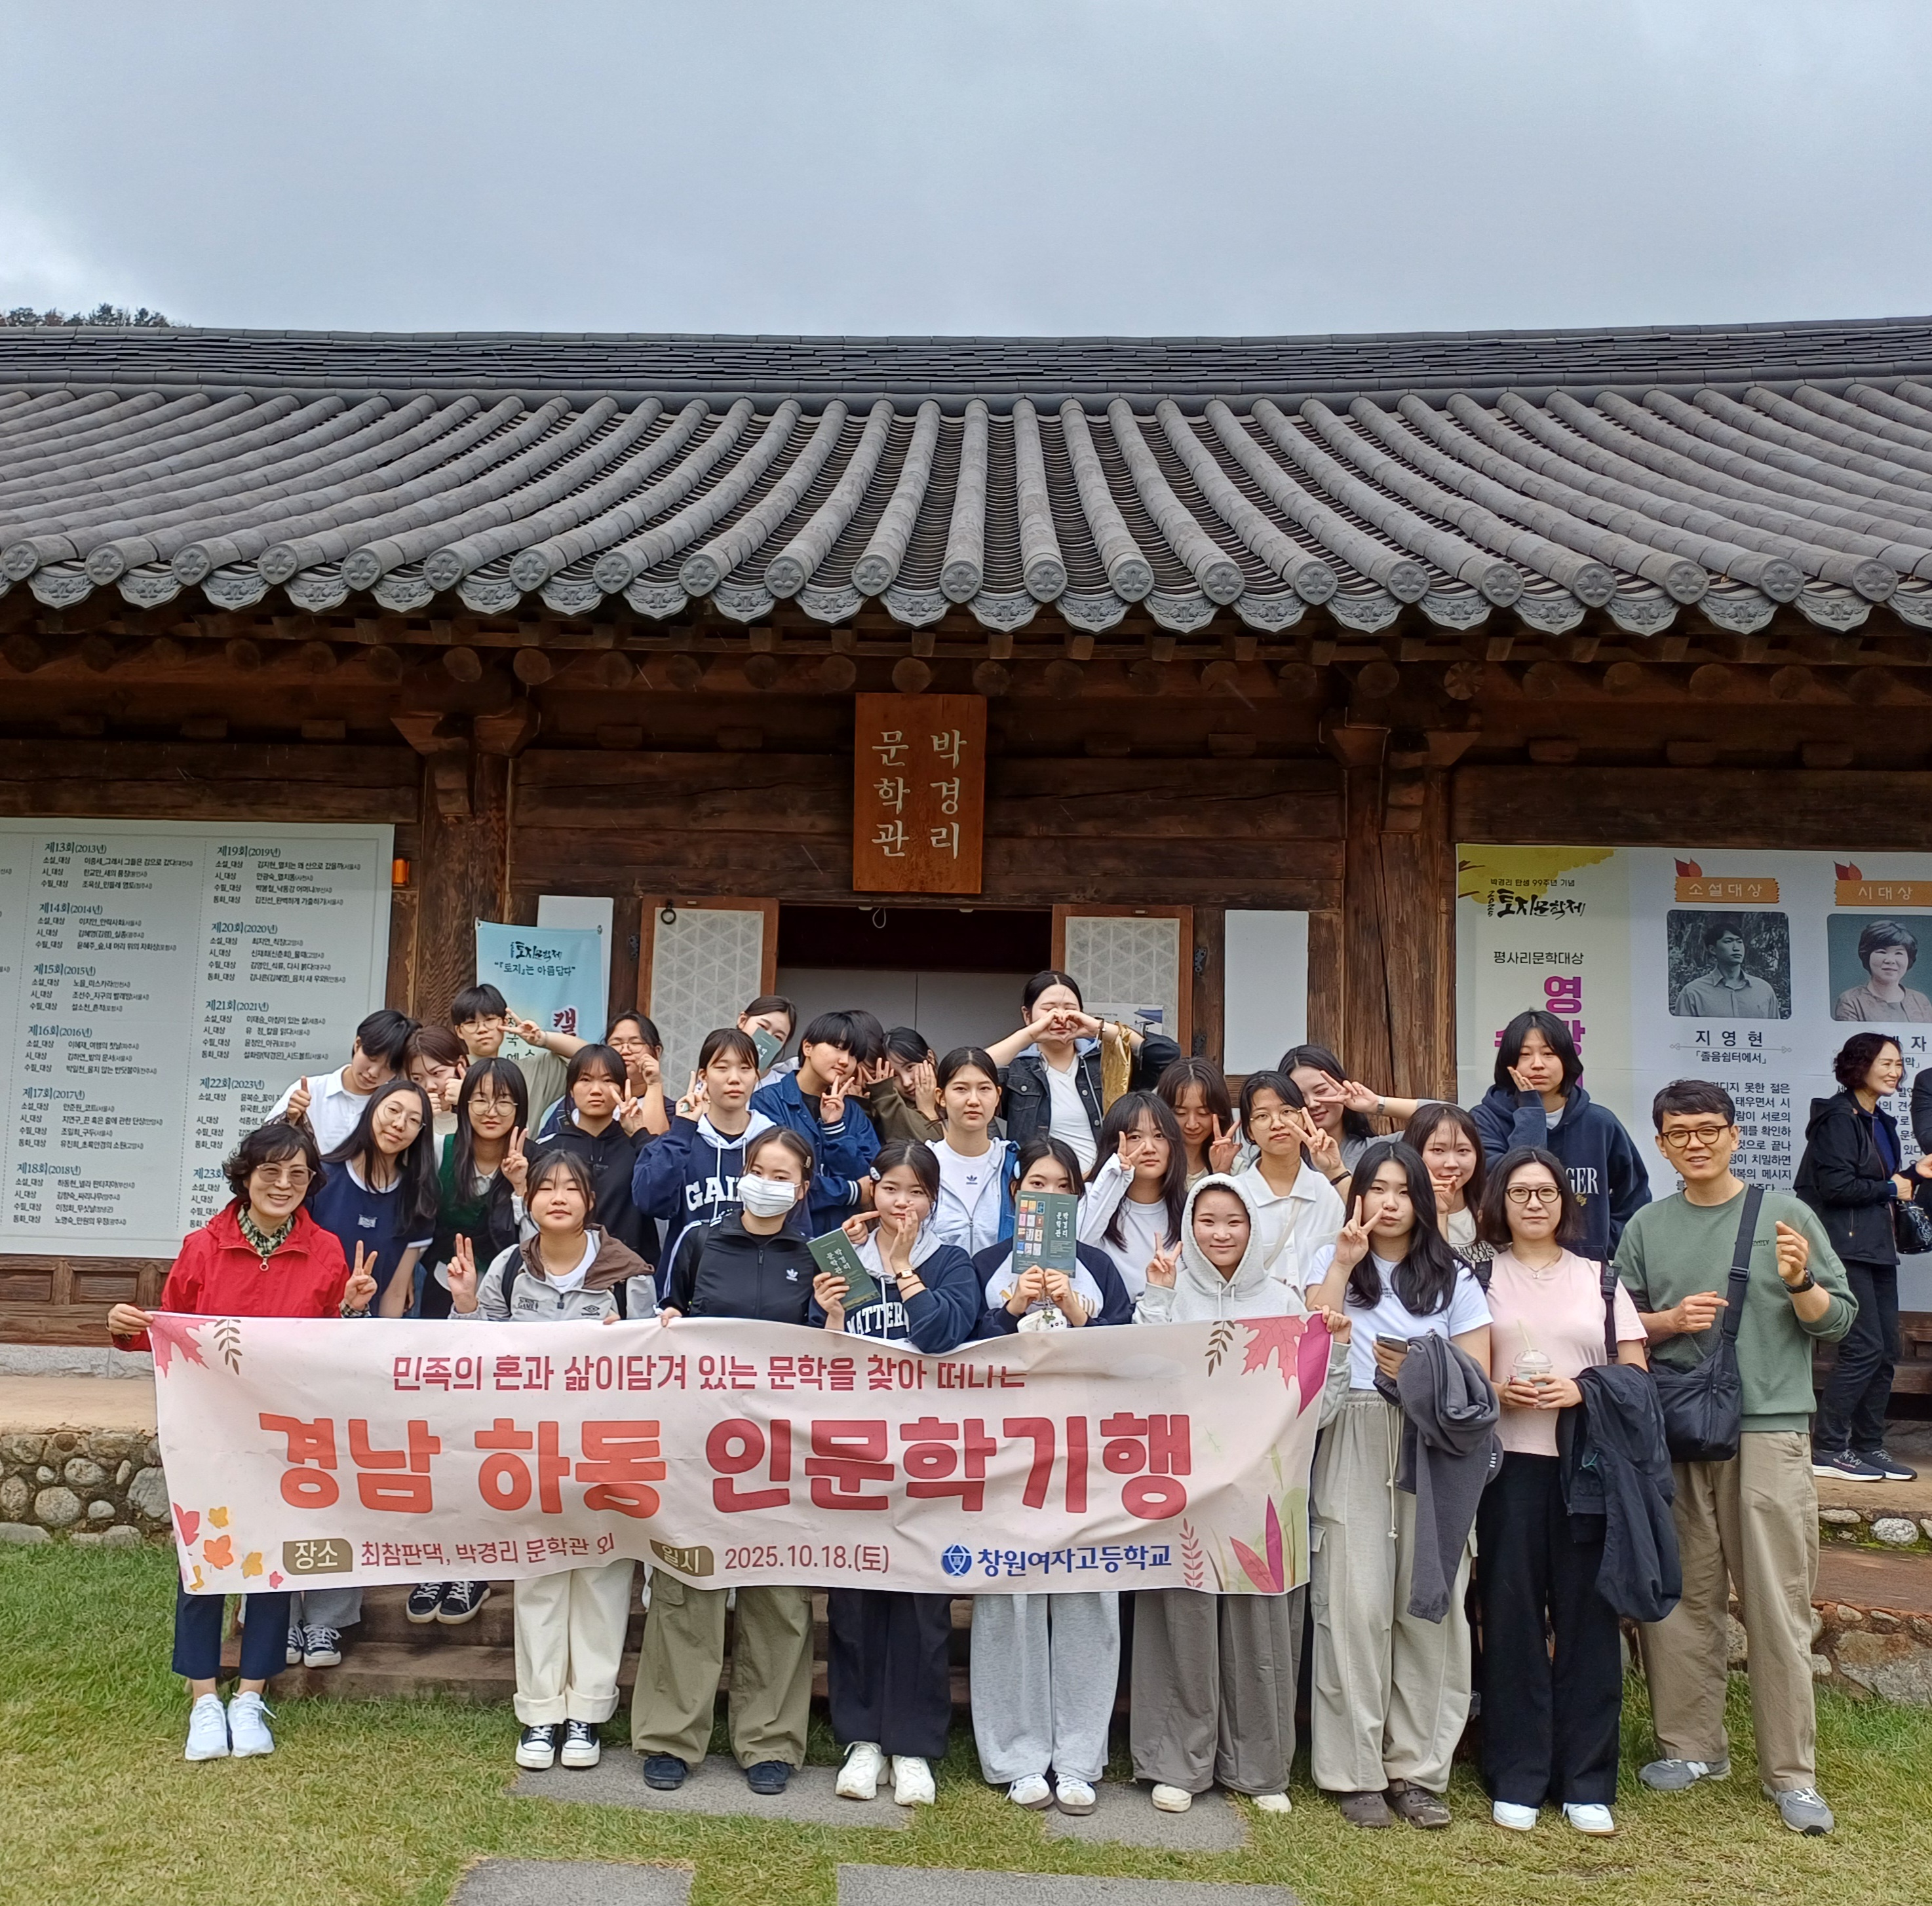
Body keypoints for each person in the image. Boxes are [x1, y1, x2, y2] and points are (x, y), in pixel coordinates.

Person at [1615, 1080, 1855, 1837]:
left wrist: (1800, 1282)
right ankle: (1690, 1746)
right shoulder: (1648, 1226)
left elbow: (1837, 1322)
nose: (1694, 1141)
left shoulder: (1785, 1215)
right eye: (1677, 1131)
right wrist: (1665, 1319)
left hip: (1767, 1429)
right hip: (1679, 1432)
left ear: (1733, 1134)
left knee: (1775, 1602)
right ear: (1658, 1142)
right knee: (1682, 1595)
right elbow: (1614, 1324)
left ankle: (1790, 1772)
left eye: (1707, 1128)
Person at [109, 1121, 374, 1763]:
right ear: (245, 1174)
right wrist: (125, 1329)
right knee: (205, 1558)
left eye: (298, 1174)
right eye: (270, 1171)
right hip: (209, 1431)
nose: (283, 1184)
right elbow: (168, 1331)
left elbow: (328, 1351)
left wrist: (353, 1309)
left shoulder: (328, 1251)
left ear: (312, 1182)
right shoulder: (202, 1246)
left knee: (273, 1563)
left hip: (285, 1433)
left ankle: (251, 1694)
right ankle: (205, 1697)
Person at [1130, 1173, 1353, 1815]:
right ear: (1190, 1226)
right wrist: (1156, 1294)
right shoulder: (1171, 1296)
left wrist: (1333, 1347)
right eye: (1207, 1220)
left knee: (1260, 1635)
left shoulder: (1286, 1301)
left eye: (1233, 1220)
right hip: (1185, 1496)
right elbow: (1140, 1385)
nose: (1221, 1232)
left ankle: (1258, 1767)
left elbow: (1322, 1407)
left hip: (1264, 1499)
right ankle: (1178, 1758)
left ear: (1252, 1227)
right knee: (1183, 1623)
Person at [1305, 1141, 1492, 1830]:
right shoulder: (1331, 1262)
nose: (1387, 1202)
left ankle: (1414, 1769)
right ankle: (1352, 1769)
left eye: (1401, 1189)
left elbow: (1479, 1384)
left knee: (1429, 1606)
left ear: (1421, 1198)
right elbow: (1305, 1341)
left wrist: (1416, 1365)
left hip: (1432, 1444)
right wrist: (1341, 1263)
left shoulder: (1454, 1278)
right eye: (1374, 1188)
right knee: (1352, 1603)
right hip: (1350, 1431)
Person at [449, 1149, 651, 1773]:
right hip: (527, 1451)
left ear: (591, 1202)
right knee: (538, 1578)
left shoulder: (628, 1271)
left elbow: (652, 1367)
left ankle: (587, 1714)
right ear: (528, 1200)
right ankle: (539, 1715)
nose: (557, 1196)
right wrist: (462, 1304)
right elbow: (476, 1356)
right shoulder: (509, 1268)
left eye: (571, 1187)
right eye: (545, 1187)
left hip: (604, 1454)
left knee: (600, 1580)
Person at [634, 1130, 819, 1795]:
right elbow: (666, 1318)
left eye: (785, 1174)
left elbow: (837, 1347)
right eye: (759, 1169)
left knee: (778, 1595)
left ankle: (767, 1737)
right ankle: (669, 1735)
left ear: (803, 1188)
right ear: (744, 1174)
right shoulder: (697, 1240)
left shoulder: (817, 1254)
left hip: (784, 1452)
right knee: (689, 1584)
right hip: (699, 1441)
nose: (769, 1181)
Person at [1475, 1146, 1649, 1837]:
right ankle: (1517, 1773)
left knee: (1585, 1621)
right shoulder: (1478, 1277)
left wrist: (1580, 1389)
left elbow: (1634, 1376)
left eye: (1545, 1190)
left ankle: (1585, 1779)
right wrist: (1500, 1389)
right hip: (1508, 1468)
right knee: (1511, 1617)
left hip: (1586, 1470)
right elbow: (1465, 1374)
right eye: (1519, 1192)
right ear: (1499, 1202)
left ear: (1563, 1200)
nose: (1534, 1202)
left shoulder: (1599, 1279)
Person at [811, 1140, 981, 1808]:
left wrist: (905, 1269)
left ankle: (911, 1745)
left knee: (921, 1603)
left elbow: (941, 1334)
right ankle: (860, 1739)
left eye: (914, 1190)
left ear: (932, 1198)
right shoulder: (837, 1260)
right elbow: (806, 1356)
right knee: (852, 1598)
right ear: (873, 1190)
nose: (900, 1201)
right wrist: (827, 1312)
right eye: (890, 1187)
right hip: (850, 1453)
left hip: (927, 1457)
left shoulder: (951, 1261)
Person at [1795, 1034, 1932, 1481]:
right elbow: (1835, 1188)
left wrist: (1913, 1174)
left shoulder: (1880, 1119)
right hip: (1843, 1247)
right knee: (1863, 1347)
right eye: (1886, 1062)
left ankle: (1868, 1444)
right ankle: (1829, 1446)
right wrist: (1894, 1186)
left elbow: (1879, 1180)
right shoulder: (1837, 1117)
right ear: (1860, 1064)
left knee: (1886, 1350)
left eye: (1899, 1064)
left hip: (1876, 1245)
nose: (1896, 1071)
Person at [1467, 1010, 1650, 1263]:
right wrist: (1531, 1112)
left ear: (1566, 1060)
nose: (1537, 1064)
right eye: (1524, 1055)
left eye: (1549, 1053)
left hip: (1588, 1270)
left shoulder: (1600, 1123)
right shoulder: (1484, 1121)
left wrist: (1606, 1244)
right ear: (1508, 1063)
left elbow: (1634, 1196)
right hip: (1509, 1268)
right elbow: (1515, 1177)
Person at [986, 970, 1181, 1172]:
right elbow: (970, 1071)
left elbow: (1166, 1056)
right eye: (1049, 1009)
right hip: (1040, 1189)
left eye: (1070, 1008)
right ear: (1027, 1015)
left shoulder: (1105, 1063)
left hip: (1101, 1186)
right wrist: (1030, 1034)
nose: (1060, 1017)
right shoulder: (1019, 1070)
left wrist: (1099, 1028)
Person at [632, 1026, 774, 1287]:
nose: (735, 1079)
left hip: (756, 1287)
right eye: (722, 1068)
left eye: (745, 1068)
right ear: (703, 1076)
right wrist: (683, 1129)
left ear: (757, 1075)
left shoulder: (775, 1144)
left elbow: (798, 1223)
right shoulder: (680, 1139)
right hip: (685, 1291)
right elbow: (650, 1202)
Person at [973, 1137, 1134, 1335]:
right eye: (1038, 1183)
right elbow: (971, 1343)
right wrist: (1012, 1308)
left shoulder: (1099, 1265)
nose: (1051, 1194)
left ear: (1077, 1195)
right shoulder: (986, 1264)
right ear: (1016, 1190)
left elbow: (1121, 1341)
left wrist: (1074, 1312)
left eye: (1064, 1186)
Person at [751, 1009, 881, 1238]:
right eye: (839, 1048)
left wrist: (835, 1131)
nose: (845, 1061)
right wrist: (851, 1192)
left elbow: (874, 1182)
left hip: (844, 1237)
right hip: (784, 1237)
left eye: (853, 1056)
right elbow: (781, 1183)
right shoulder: (768, 1102)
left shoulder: (853, 1112)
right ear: (808, 1047)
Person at [423, 1058, 530, 1324]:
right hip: (444, 1283)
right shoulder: (440, 1150)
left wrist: (521, 1188)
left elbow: (539, 1241)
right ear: (466, 1105)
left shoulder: (536, 1162)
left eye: (504, 1101)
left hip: (511, 1292)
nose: (491, 1111)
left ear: (519, 1109)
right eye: (481, 1100)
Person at [1233, 1069, 1345, 1289]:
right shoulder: (1234, 1196)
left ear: (1304, 1119)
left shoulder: (1330, 1191)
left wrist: (1336, 1170)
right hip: (1257, 1322)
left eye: (1286, 1111)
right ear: (1250, 1132)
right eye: (1263, 1116)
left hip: (1322, 1319)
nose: (1277, 1124)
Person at [544, 1043, 654, 1260]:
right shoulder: (547, 1150)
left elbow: (661, 1199)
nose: (596, 1090)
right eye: (585, 1080)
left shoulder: (640, 1148)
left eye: (607, 1080)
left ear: (622, 1089)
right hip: (562, 1270)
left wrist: (641, 1135)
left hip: (630, 1272)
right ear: (571, 1089)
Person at [1077, 1091, 1188, 1301]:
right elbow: (1080, 1245)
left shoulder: (1190, 1209)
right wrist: (1116, 1175)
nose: (1149, 1148)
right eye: (1135, 1137)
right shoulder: (1095, 1201)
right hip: (1113, 1328)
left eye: (1159, 1136)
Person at [267, 1006, 415, 1154]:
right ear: (358, 1044)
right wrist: (290, 1118)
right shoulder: (310, 1091)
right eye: (371, 1059)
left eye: (389, 1068)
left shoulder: (396, 1106)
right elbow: (263, 1147)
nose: (373, 1073)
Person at [1279, 1043, 1426, 1186]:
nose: (1312, 1103)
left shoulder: (1381, 1151)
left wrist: (1377, 1104)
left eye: (1321, 1091)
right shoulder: (1275, 1161)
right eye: (1300, 1096)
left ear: (1342, 1086)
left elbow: (1447, 1115)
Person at [927, 1046, 1014, 1256]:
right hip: (939, 1286)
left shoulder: (1014, 1164)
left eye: (984, 1089)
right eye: (961, 1089)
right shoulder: (922, 1165)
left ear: (997, 1096)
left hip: (1004, 1287)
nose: (973, 1100)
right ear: (941, 1097)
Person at [535, 1011, 671, 1143]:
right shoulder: (580, 1101)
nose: (625, 1051)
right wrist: (542, 1038)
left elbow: (656, 1153)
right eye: (616, 1044)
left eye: (635, 1043)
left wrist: (655, 1084)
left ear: (656, 1051)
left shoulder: (668, 1109)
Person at [449, 983, 570, 1128]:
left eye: (489, 1020)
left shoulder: (531, 1072)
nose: (482, 1029)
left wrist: (542, 1039)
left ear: (505, 1022)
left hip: (522, 1150)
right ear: (459, 1031)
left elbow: (586, 1058)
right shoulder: (447, 1074)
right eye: (471, 1023)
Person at [1404, 1102, 1493, 1276]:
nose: (1452, 1164)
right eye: (1438, 1150)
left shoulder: (1494, 1211)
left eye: (1463, 1150)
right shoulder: (1398, 1217)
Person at [1672, 913, 1783, 1020]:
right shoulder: (1693, 992)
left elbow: (1775, 1033)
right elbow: (1684, 1034)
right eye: (1728, 941)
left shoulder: (1764, 989)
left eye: (1739, 942)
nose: (1736, 948)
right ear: (1712, 949)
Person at [1157, 1056, 1240, 1185]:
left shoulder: (1236, 1167)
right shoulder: (1154, 1163)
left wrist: (1222, 1173)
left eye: (1203, 1113)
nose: (1192, 1124)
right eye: (1181, 1113)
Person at [1832, 919, 1932, 1023]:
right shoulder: (1851, 1001)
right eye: (1882, 952)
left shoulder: (1920, 1001)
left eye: (1898, 953)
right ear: (1867, 956)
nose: (1890, 960)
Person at [864, 1025, 942, 1142]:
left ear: (930, 1058)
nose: (906, 1083)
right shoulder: (888, 1109)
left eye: (910, 1067)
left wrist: (929, 1109)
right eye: (895, 1076)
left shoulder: (954, 1096)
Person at [404, 1024, 468, 1143]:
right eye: (417, 1079)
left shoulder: (480, 1107)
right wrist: (420, 1119)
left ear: (461, 1065)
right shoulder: (404, 1116)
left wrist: (469, 1102)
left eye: (437, 1073)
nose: (430, 1086)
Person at [740, 993, 799, 1084]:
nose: (768, 1036)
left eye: (778, 1037)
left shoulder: (783, 1087)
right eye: (763, 1026)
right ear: (743, 1021)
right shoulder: (712, 1068)